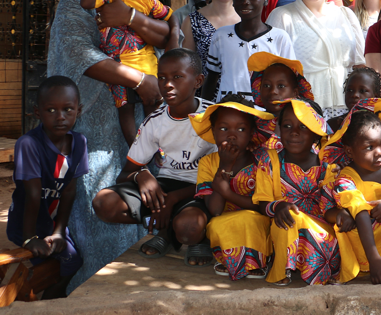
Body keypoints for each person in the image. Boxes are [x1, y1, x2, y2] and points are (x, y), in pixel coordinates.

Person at [48, 0, 164, 291]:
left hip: (138, 124)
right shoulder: (74, 3)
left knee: (139, 203)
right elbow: (79, 54)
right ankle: (92, 292)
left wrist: (130, 16)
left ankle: (137, 289)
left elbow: (165, 37)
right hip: (93, 128)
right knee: (96, 207)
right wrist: (140, 80)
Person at [91, 49, 216, 266]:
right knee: (104, 202)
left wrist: (173, 199)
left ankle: (183, 233)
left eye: (177, 77)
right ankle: (167, 227)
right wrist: (141, 175)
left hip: (203, 190)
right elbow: (126, 174)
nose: (168, 84)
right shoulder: (155, 121)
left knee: (189, 229)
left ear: (198, 81)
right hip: (166, 186)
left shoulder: (213, 118)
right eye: (162, 78)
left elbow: (224, 178)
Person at [80, 0, 176, 146]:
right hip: (119, 65)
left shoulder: (149, 0)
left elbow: (169, 16)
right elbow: (86, 3)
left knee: (153, 104)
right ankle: (135, 148)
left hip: (146, 62)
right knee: (125, 108)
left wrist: (175, 34)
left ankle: (155, 147)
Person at [7, 76, 87, 299]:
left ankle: (48, 303)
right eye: (51, 110)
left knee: (72, 261)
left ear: (78, 110)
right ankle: (30, 300)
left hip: (50, 224)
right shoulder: (29, 143)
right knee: (49, 262)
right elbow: (33, 194)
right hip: (25, 224)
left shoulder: (79, 143)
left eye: (68, 109)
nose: (60, 117)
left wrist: (59, 231)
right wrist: (29, 238)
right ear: (37, 112)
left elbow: (69, 190)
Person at [322, 110, 381, 284]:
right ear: (349, 151)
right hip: (361, 235)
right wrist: (374, 258)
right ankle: (367, 265)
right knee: (348, 226)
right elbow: (361, 214)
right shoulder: (345, 178)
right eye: (369, 147)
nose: (379, 152)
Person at [267, 0, 365, 119]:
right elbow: (272, 72)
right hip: (305, 110)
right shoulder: (282, 16)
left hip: (348, 108)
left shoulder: (346, 15)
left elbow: (360, 66)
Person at [254, 98, 341, 286]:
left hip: (320, 231)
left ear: (316, 133)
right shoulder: (269, 162)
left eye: (303, 126)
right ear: (279, 129)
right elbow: (262, 202)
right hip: (283, 226)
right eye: (287, 126)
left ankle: (316, 268)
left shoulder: (328, 166)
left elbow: (331, 207)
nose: (294, 132)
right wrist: (278, 207)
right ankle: (283, 269)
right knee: (286, 220)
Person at [190, 95, 274, 281]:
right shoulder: (208, 163)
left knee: (252, 221)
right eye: (223, 128)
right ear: (213, 131)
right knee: (217, 224)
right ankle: (229, 258)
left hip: (256, 219)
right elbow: (215, 210)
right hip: (223, 220)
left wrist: (226, 192)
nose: (232, 135)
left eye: (241, 129)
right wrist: (225, 166)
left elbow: (262, 207)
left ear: (251, 133)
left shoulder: (262, 160)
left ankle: (256, 260)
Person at [204, 0, 296, 102]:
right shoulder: (221, 36)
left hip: (265, 111)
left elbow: (290, 80)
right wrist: (204, 109)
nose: (245, 2)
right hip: (228, 110)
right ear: (233, 0)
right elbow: (212, 78)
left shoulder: (280, 38)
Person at [181, 0, 241, 77]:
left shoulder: (247, 19)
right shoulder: (192, 21)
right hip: (205, 88)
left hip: (242, 88)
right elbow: (186, 67)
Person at [247, 52, 316, 147]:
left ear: (295, 92)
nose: (273, 91)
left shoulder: (308, 123)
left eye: (281, 86)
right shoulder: (252, 125)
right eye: (266, 85)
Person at [327, 67, 381, 132]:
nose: (354, 95)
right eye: (350, 90)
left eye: (362, 91)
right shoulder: (333, 125)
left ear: (376, 97)